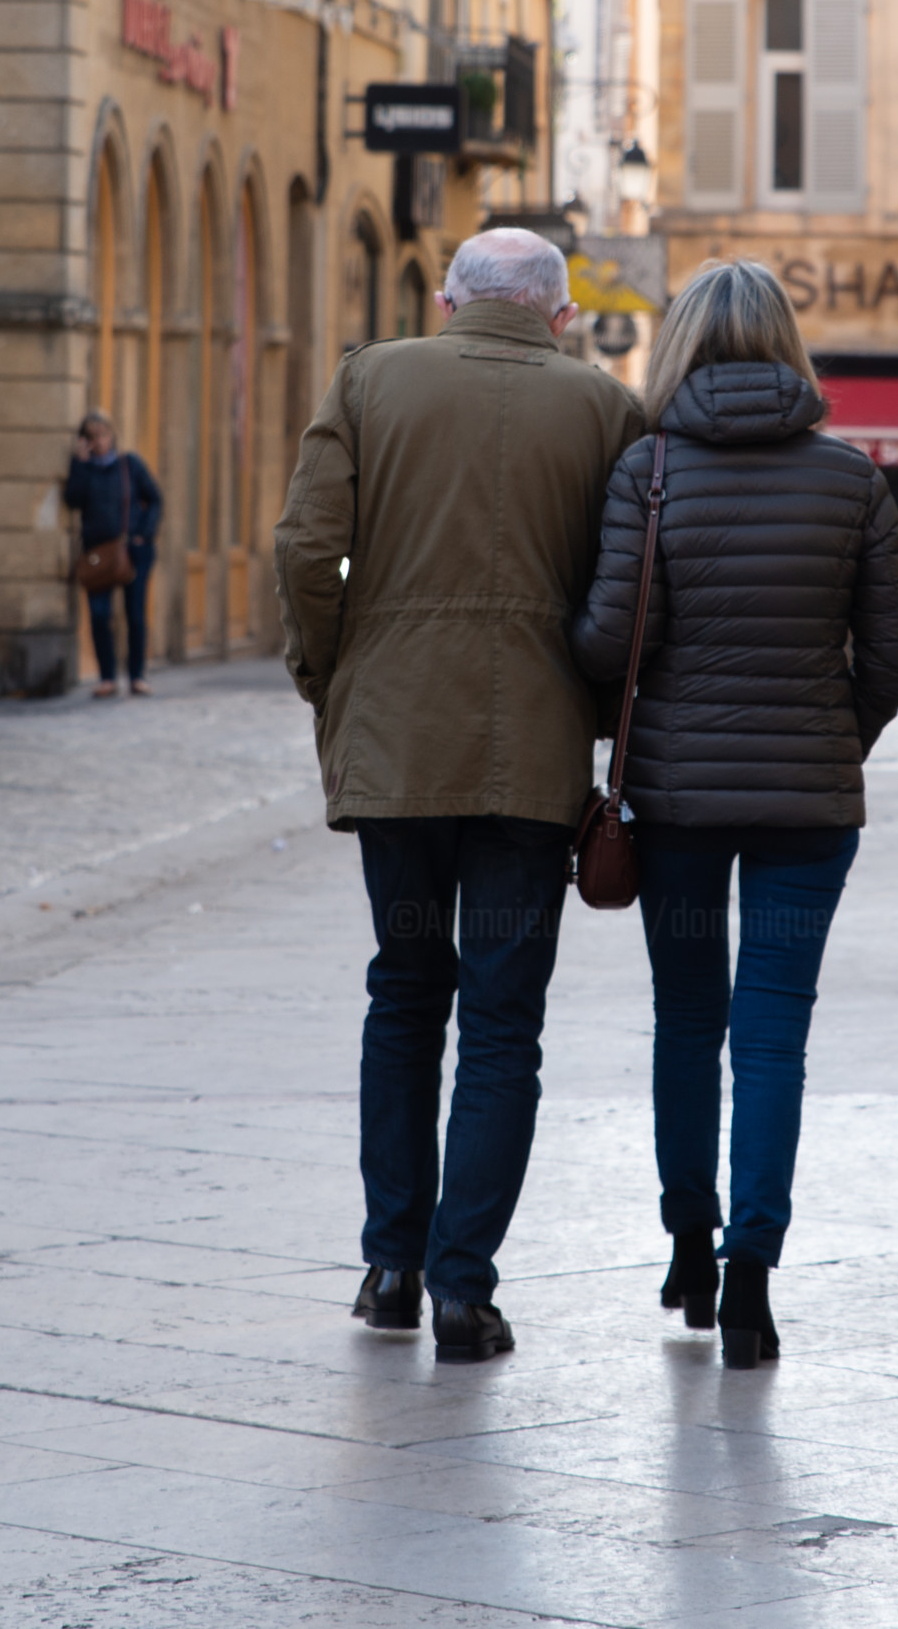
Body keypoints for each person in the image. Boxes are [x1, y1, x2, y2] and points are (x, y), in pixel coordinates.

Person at [274, 229, 644, 1362]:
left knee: (402, 991)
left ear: (447, 300)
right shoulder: (603, 408)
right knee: (501, 1022)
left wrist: (329, 671)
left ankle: (387, 1261)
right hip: (533, 759)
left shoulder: (370, 377)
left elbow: (306, 546)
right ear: (560, 315)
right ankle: (462, 1286)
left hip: (397, 738)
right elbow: (629, 586)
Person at [570, 261, 898, 1369]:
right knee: (775, 1034)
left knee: (689, 1019)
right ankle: (752, 1281)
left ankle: (688, 1243)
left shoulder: (649, 470)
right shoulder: (852, 476)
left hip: (674, 802)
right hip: (808, 809)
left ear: (678, 345)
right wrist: (834, 736)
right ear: (787, 344)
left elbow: (604, 642)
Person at [63, 410, 162, 698]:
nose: (99, 442)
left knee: (134, 614)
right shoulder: (84, 468)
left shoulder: (129, 465)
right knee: (99, 613)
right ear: (84, 441)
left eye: (103, 435)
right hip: (97, 553)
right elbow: (73, 500)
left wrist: (145, 533)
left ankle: (136, 676)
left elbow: (154, 498)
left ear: (112, 435)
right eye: (91, 437)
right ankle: (107, 677)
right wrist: (80, 463)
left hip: (132, 550)